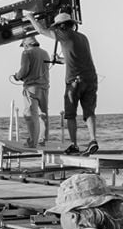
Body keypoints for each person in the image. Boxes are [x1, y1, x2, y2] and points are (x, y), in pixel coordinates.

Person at [29, 11, 98, 155]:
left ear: (61, 26)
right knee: (89, 111)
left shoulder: (63, 34)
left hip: (74, 80)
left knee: (70, 114)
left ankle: (74, 145)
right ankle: (93, 140)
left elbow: (41, 30)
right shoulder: (83, 37)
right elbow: (75, 57)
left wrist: (30, 18)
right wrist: (59, 60)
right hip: (91, 78)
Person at [12, 35, 51, 148]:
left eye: (23, 46)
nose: (23, 48)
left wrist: (17, 76)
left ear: (26, 44)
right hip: (44, 87)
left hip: (31, 87)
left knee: (30, 114)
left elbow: (24, 70)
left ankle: (32, 142)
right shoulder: (45, 53)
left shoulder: (27, 53)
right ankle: (42, 139)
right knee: (43, 114)